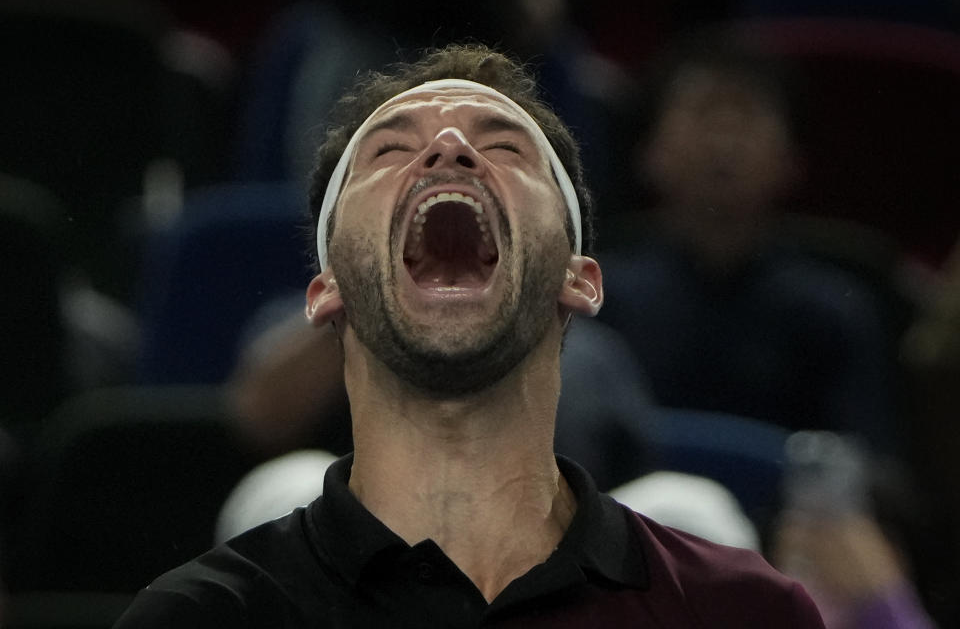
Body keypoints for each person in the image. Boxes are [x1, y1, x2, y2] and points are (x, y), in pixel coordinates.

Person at [114, 43, 824, 627]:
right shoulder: (199, 621)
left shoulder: (745, 612)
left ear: (581, 279)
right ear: (325, 289)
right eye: (390, 152)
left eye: (507, 148)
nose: (449, 149)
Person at [598, 28, 900, 454]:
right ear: (650, 153)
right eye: (703, 113)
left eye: (747, 116)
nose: (723, 141)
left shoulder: (833, 312)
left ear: (791, 162)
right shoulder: (599, 302)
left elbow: (870, 472)